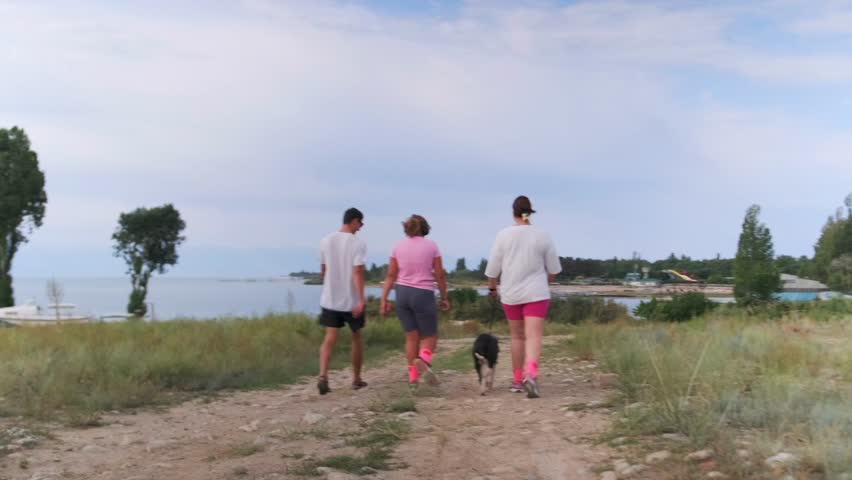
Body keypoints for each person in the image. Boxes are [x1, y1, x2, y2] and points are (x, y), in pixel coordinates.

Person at [485, 196, 561, 398]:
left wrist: (492, 289)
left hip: (511, 293)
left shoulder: (503, 235)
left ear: (514, 213)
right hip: (537, 293)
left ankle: (518, 380)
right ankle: (532, 374)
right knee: (533, 335)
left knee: (517, 336)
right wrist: (544, 283)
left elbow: (492, 269)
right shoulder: (543, 235)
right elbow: (553, 269)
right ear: (530, 212)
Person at [380, 214, 450, 391]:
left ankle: (413, 379)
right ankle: (423, 361)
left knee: (411, 337)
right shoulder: (431, 246)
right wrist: (444, 297)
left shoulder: (397, 246)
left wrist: (384, 299)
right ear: (425, 228)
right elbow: (440, 275)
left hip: (402, 293)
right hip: (422, 293)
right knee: (429, 336)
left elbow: (391, 275)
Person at [317, 207, 368, 395]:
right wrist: (361, 300)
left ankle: (323, 376)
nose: (361, 227)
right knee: (356, 337)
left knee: (329, 338)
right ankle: (356, 379)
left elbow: (324, 270)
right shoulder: (358, 243)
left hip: (330, 299)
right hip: (351, 301)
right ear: (354, 221)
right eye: (360, 223)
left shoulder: (325, 240)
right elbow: (357, 271)